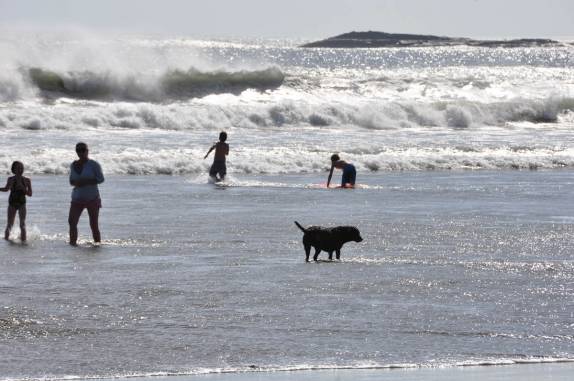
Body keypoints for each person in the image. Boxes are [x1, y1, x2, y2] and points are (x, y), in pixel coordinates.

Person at [68, 142, 104, 246]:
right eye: (78, 150)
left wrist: (87, 181)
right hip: (77, 198)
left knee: (93, 225)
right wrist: (77, 183)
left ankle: (97, 245)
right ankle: (73, 244)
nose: (81, 152)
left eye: (83, 150)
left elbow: (101, 179)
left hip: (92, 198)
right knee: (71, 222)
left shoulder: (94, 164)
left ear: (87, 151)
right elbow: (71, 181)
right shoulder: (73, 165)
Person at [0, 161, 32, 241]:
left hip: (22, 203)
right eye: (18, 168)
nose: (20, 170)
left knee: (22, 224)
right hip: (12, 203)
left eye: (22, 168)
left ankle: (23, 241)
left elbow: (30, 194)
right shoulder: (11, 179)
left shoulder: (27, 180)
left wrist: (23, 188)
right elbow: (6, 189)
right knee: (10, 224)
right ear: (13, 170)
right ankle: (6, 240)